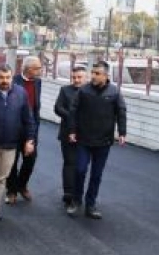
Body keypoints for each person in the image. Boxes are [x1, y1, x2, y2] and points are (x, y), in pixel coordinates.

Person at [68, 60, 127, 219]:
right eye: (92, 73)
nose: (93, 76)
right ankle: (76, 201)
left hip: (104, 141)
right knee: (80, 170)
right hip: (84, 139)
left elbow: (121, 112)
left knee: (96, 174)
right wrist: (72, 130)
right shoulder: (84, 91)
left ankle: (91, 205)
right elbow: (73, 111)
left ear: (106, 75)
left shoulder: (114, 92)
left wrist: (122, 132)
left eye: (97, 74)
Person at [0, 65, 36, 225]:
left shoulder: (20, 93)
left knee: (2, 177)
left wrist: (29, 139)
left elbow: (28, 119)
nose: (4, 81)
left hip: (12, 143)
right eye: (1, 77)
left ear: (12, 77)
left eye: (7, 77)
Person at [6, 56, 43, 204]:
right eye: (37, 68)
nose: (40, 70)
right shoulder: (13, 81)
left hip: (31, 128)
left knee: (30, 159)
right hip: (14, 129)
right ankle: (11, 191)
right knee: (12, 162)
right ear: (28, 69)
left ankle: (22, 185)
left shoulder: (38, 83)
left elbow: (35, 107)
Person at [53, 64, 87, 211]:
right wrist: (70, 115)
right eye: (74, 77)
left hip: (86, 135)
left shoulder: (90, 92)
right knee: (69, 163)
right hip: (67, 133)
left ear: (86, 78)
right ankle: (68, 193)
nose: (76, 80)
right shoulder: (65, 90)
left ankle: (78, 193)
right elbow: (58, 107)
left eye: (79, 77)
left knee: (81, 166)